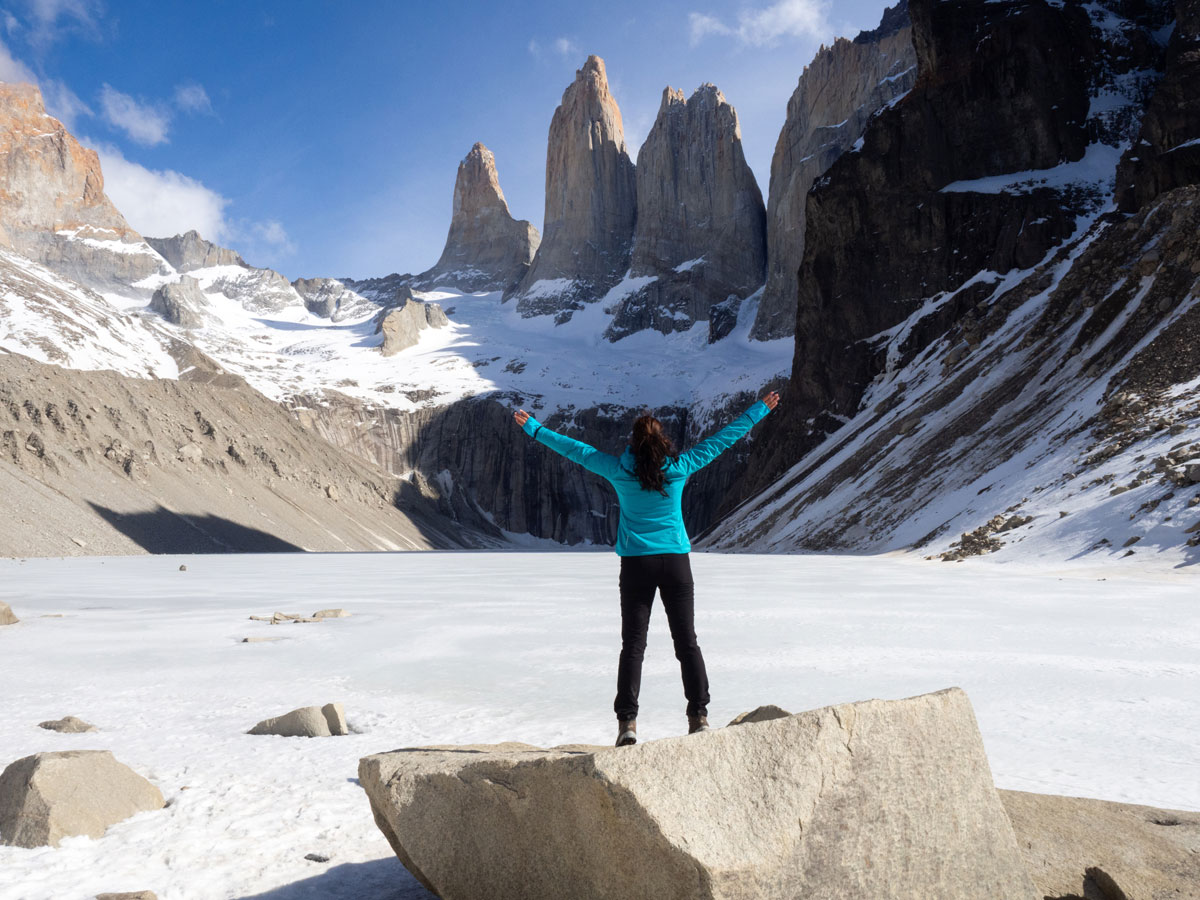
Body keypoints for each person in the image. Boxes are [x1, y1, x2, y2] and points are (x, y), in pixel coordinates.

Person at [513, 390, 780, 747]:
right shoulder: (681, 468)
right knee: (687, 642)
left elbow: (574, 449)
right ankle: (698, 716)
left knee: (633, 646)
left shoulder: (618, 470)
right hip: (676, 563)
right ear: (663, 441)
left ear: (633, 443)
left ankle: (627, 723)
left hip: (636, 564)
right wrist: (760, 409)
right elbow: (722, 440)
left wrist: (534, 429)